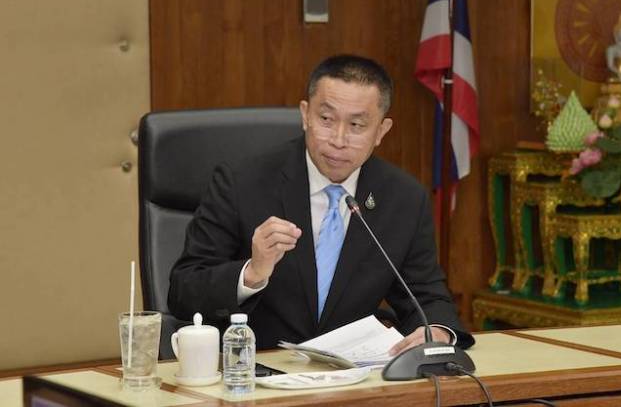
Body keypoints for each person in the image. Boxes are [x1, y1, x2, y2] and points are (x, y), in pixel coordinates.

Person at [168, 54, 474, 354]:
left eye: (357, 125)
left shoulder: (403, 199)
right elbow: (183, 291)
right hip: (257, 371)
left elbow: (427, 296)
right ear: (305, 115)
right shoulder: (242, 183)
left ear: (381, 131)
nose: (338, 140)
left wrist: (436, 331)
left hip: (355, 376)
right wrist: (252, 273)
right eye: (326, 119)